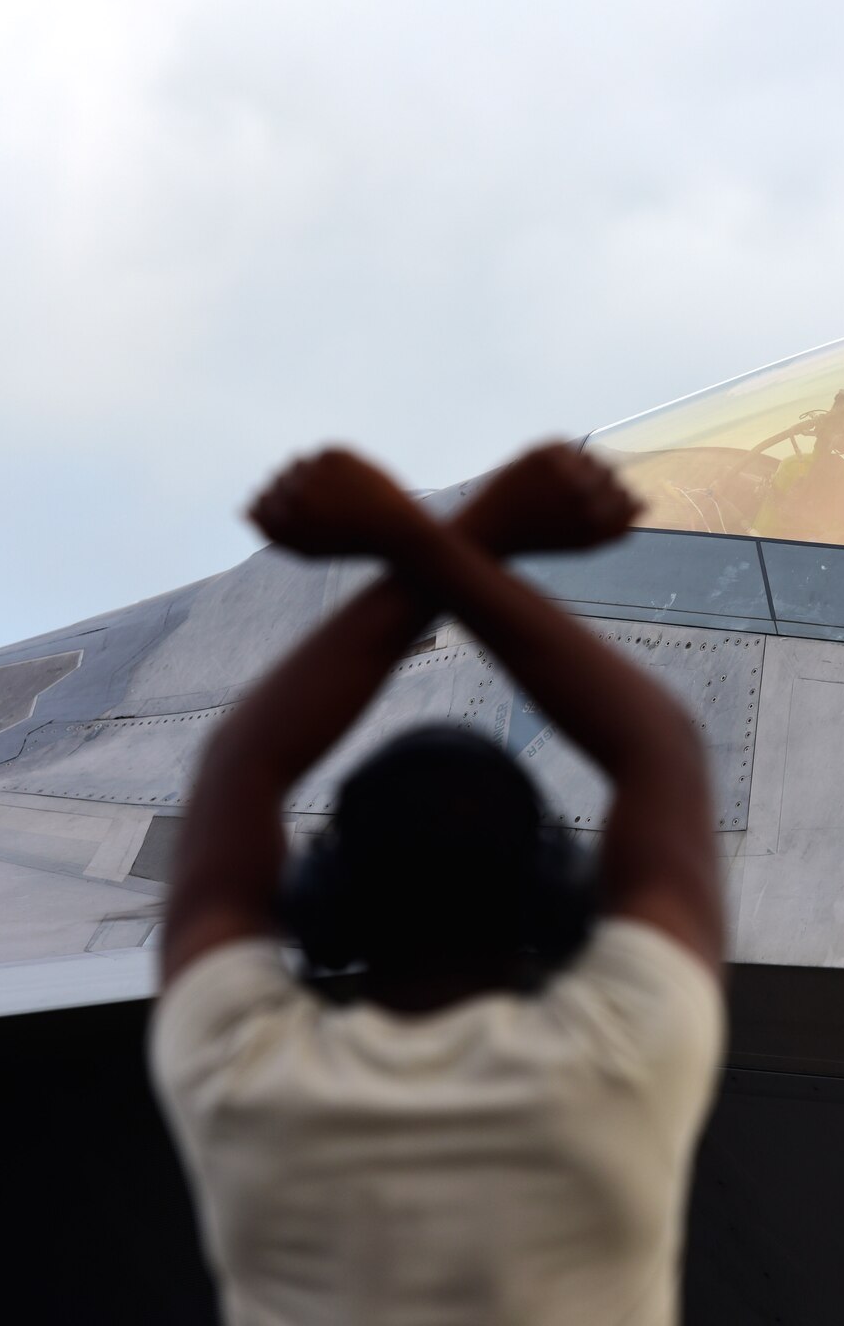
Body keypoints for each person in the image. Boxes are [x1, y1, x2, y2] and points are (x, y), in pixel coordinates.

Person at [148, 444, 725, 1326]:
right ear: (552, 895)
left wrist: (422, 536)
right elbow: (664, 749)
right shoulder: (624, 1060)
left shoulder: (239, 1072)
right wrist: (450, 541)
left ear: (322, 897)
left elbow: (241, 763)